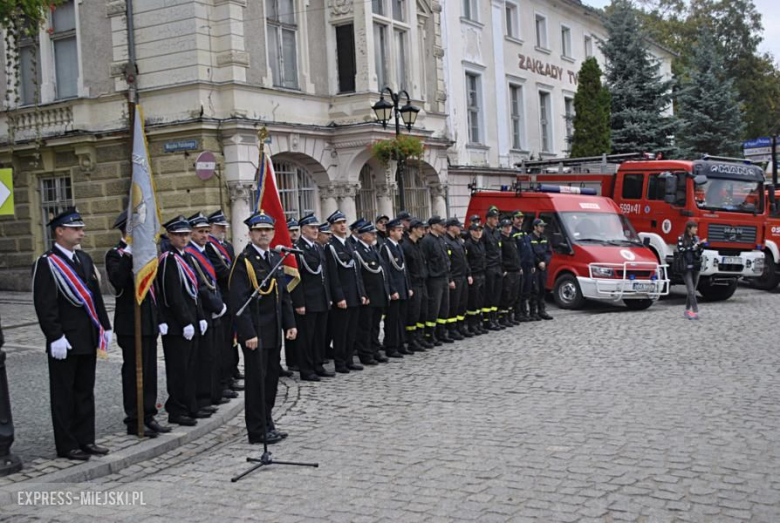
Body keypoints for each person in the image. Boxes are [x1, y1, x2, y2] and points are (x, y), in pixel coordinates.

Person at [32, 208, 112, 461]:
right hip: (65, 341)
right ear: (59, 231)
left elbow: (94, 296)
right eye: (76, 229)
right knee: (64, 394)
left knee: (85, 391)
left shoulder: (84, 259)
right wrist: (54, 335)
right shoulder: (47, 263)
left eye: (82, 229)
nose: (82, 233)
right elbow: (44, 304)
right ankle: (67, 445)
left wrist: (105, 326)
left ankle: (86, 439)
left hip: (87, 337)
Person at [229, 211, 296, 444]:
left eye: (267, 230)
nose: (264, 234)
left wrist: (290, 323)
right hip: (256, 333)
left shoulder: (273, 257)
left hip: (273, 331)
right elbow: (239, 300)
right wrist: (248, 333)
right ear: (250, 234)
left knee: (270, 381)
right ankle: (257, 430)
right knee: (257, 383)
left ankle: (268, 423)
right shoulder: (244, 261)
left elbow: (283, 295)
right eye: (259, 230)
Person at [105, 210, 169, 438]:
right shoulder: (115, 254)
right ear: (127, 231)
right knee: (134, 372)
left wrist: (159, 318)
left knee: (150, 371)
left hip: (149, 321)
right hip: (130, 324)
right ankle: (134, 418)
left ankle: (149, 414)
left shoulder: (146, 254)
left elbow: (155, 289)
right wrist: (129, 254)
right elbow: (119, 282)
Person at [157, 216, 208, 427]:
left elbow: (194, 290)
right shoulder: (168, 259)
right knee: (178, 369)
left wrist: (200, 316)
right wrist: (185, 320)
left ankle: (190, 405)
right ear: (170, 236)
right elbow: (173, 295)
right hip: (177, 325)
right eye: (179, 235)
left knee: (191, 367)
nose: (184, 238)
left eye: (186, 234)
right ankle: (177, 409)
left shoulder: (185, 257)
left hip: (191, 320)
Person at [186, 213, 228, 414]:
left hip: (214, 308)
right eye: (200, 232)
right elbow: (201, 286)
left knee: (215, 355)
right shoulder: (191, 254)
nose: (204, 235)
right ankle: (203, 398)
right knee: (204, 358)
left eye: (206, 231)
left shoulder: (204, 251)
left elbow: (213, 282)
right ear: (191, 233)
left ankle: (213, 393)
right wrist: (216, 305)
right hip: (203, 311)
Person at [204, 209, 244, 396]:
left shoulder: (225, 246)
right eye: (219, 227)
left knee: (231, 339)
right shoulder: (210, 247)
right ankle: (225, 377)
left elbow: (233, 265)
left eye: (224, 227)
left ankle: (232, 371)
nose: (223, 230)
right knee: (224, 342)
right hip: (223, 297)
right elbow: (222, 271)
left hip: (231, 296)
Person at [291, 213, 333, 381]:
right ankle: (306, 369)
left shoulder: (317, 247)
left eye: (317, 228)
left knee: (319, 336)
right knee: (306, 337)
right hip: (307, 300)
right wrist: (299, 302)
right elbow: (296, 279)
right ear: (303, 230)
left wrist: (328, 296)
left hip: (321, 299)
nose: (316, 230)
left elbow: (325, 275)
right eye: (312, 227)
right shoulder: (298, 249)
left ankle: (318, 364)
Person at [325, 211, 366, 372]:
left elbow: (357, 272)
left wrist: (362, 292)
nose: (342, 225)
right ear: (332, 227)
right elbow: (333, 275)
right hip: (342, 296)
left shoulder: (348, 244)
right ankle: (340, 362)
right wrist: (339, 297)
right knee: (341, 332)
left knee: (351, 331)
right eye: (338, 223)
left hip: (354, 294)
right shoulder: (331, 247)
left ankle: (349, 360)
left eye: (343, 222)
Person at [353, 222, 391, 364]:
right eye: (371, 233)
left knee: (375, 325)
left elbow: (382, 272)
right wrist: (363, 294)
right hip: (369, 295)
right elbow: (359, 276)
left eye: (375, 233)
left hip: (378, 293)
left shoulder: (373, 249)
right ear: (363, 236)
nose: (375, 235)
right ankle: (365, 353)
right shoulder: (357, 251)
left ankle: (375, 350)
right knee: (365, 326)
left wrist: (386, 291)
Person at [380, 218, 412, 357]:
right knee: (392, 320)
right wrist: (392, 290)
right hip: (395, 290)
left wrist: (408, 287)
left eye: (401, 230)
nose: (401, 233)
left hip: (402, 287)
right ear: (391, 232)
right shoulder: (385, 247)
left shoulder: (398, 246)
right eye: (398, 230)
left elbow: (404, 269)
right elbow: (386, 271)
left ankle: (400, 344)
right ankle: (391, 346)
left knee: (401, 318)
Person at [421, 216, 453, 345]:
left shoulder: (441, 239)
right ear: (433, 226)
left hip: (444, 277)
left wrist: (449, 277)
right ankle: (429, 334)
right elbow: (425, 260)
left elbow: (445, 259)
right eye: (441, 224)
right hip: (434, 279)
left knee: (444, 307)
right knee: (434, 308)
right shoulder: (427, 241)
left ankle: (441, 333)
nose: (443, 227)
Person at [401, 219, 430, 351]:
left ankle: (419, 337)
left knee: (423, 312)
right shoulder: (406, 245)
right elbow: (405, 269)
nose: (423, 231)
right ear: (413, 229)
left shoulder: (418, 244)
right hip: (413, 283)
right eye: (421, 228)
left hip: (422, 282)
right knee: (414, 313)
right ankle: (411, 340)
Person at [443, 218, 470, 340]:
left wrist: (469, 274)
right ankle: (452, 329)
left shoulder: (459, 241)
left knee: (462, 304)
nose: (460, 228)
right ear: (451, 227)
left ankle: (460, 327)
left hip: (463, 276)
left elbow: (465, 259)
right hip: (455, 277)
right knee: (454, 305)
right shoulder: (446, 241)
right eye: (457, 226)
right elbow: (447, 263)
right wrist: (450, 279)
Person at [282, 218, 301, 375]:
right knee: (288, 329)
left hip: (296, 295)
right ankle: (291, 360)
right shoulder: (283, 250)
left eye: (296, 230)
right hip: (287, 296)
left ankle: (296, 359)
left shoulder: (297, 248)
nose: (294, 233)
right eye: (291, 230)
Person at [677, 220, 706, 320]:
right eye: (695, 228)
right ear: (689, 228)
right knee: (691, 291)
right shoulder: (681, 238)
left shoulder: (696, 238)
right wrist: (693, 247)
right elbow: (681, 250)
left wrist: (701, 246)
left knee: (692, 290)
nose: (696, 230)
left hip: (695, 267)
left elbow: (699, 252)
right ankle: (695, 311)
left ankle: (686, 310)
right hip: (685, 267)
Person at [481, 207, 503, 331]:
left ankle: (494, 319)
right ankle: (487, 320)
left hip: (498, 267)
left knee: (496, 295)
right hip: (489, 267)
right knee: (489, 295)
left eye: (497, 218)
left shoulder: (497, 232)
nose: (496, 220)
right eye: (494, 218)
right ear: (488, 219)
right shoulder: (484, 232)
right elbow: (482, 252)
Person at [527, 219, 554, 321]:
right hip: (535, 268)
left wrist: (545, 262)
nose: (543, 228)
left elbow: (549, 252)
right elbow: (530, 253)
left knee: (543, 289)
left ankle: (542, 311)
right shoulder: (529, 238)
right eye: (541, 226)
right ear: (535, 227)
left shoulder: (545, 238)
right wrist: (538, 262)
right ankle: (533, 312)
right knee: (535, 290)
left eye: (543, 226)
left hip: (543, 268)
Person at [464, 222, 487, 335]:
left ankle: (478, 324)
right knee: (473, 302)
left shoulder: (481, 243)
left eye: (480, 230)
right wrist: (469, 275)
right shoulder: (468, 244)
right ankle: (472, 325)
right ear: (471, 231)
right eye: (476, 230)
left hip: (482, 274)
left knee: (480, 301)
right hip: (474, 275)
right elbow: (466, 261)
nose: (478, 233)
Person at [499, 218, 521, 327]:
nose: (508, 229)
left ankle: (510, 316)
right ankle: (503, 318)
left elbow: (516, 255)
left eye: (510, 227)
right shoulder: (501, 240)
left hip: (515, 270)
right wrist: (504, 270)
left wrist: (519, 267)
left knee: (513, 295)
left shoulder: (512, 239)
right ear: (502, 228)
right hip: (508, 271)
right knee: (506, 295)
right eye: (506, 227)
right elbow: (500, 257)